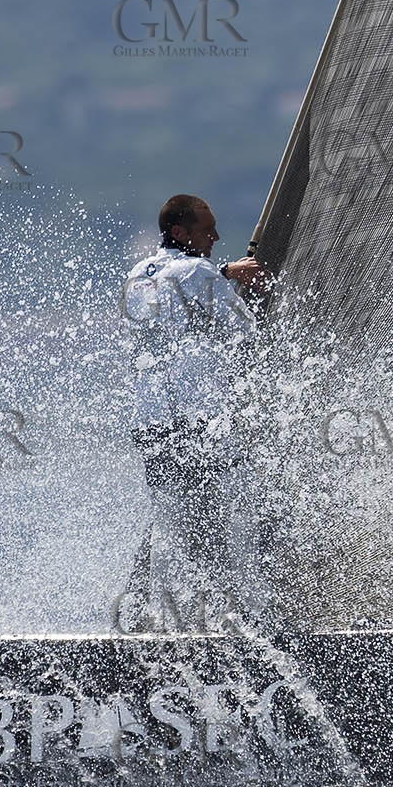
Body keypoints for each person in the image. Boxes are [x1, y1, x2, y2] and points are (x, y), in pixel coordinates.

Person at [116, 193, 277, 638]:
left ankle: (145, 619)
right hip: (196, 420)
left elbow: (173, 290)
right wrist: (243, 287)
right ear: (180, 232)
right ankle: (248, 616)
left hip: (151, 423)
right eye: (207, 230)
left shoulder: (138, 274)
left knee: (172, 519)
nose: (216, 237)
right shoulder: (197, 270)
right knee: (234, 511)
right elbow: (245, 329)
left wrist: (222, 272)